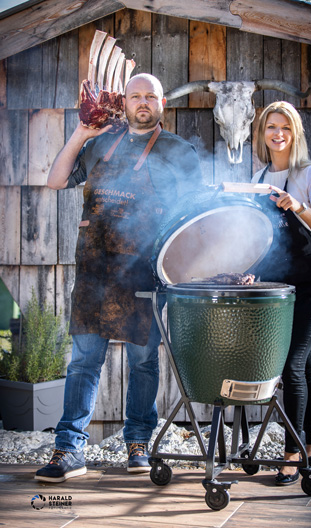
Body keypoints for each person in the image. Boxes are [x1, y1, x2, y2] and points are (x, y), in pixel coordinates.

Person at [35, 73, 203, 482]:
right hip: (94, 272)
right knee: (83, 363)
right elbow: (56, 180)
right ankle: (69, 448)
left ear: (163, 103)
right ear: (124, 102)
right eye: (135, 96)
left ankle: (138, 442)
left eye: (150, 96)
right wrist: (80, 132)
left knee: (143, 363)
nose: (142, 102)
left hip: (146, 273)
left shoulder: (178, 151)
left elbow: (195, 216)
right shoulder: (97, 144)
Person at [252, 101, 311, 486]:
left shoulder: (309, 173)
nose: (278, 133)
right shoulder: (259, 177)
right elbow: (258, 238)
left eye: (286, 127)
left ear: (295, 133)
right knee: (307, 368)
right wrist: (251, 273)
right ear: (263, 132)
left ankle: (292, 451)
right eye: (272, 126)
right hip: (279, 288)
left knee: (291, 366)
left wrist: (299, 206)